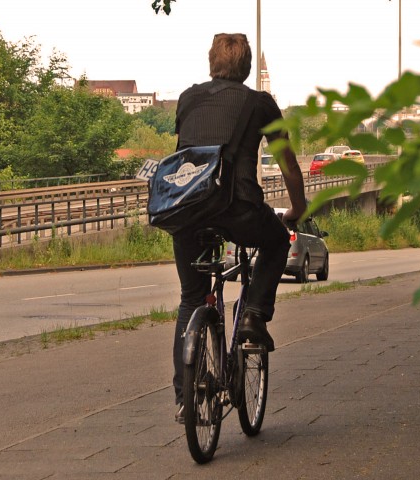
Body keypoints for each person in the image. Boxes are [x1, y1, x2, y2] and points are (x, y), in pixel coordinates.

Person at [171, 33, 306, 421]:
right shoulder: (261, 103)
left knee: (190, 299)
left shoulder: (188, 98)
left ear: (211, 63)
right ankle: (253, 316)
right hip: (239, 208)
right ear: (247, 68)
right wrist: (296, 209)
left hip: (187, 211)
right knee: (278, 240)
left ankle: (186, 401)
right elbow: (290, 167)